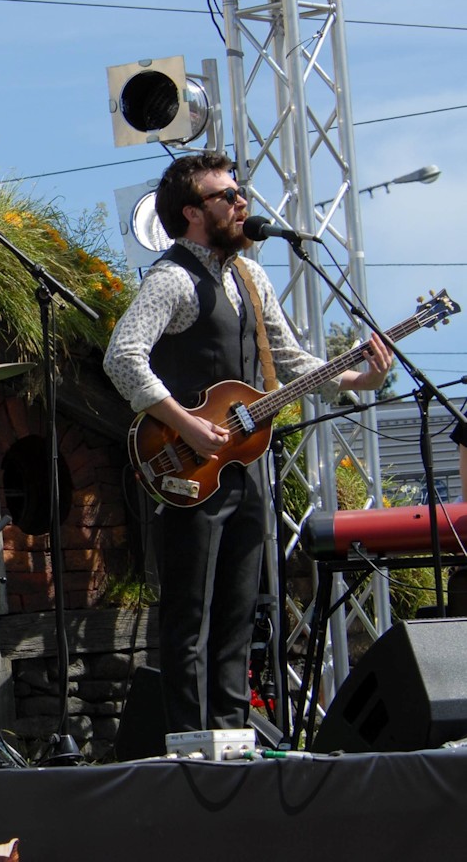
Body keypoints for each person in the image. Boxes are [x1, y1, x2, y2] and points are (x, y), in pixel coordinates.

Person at [104, 151, 392, 734]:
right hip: (186, 466)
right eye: (228, 197)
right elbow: (122, 356)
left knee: (238, 610)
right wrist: (185, 422)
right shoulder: (170, 279)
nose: (243, 204)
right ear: (192, 212)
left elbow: (288, 361)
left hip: (244, 467)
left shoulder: (252, 278)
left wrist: (359, 380)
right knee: (190, 614)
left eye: (240, 194)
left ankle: (233, 738)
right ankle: (189, 742)